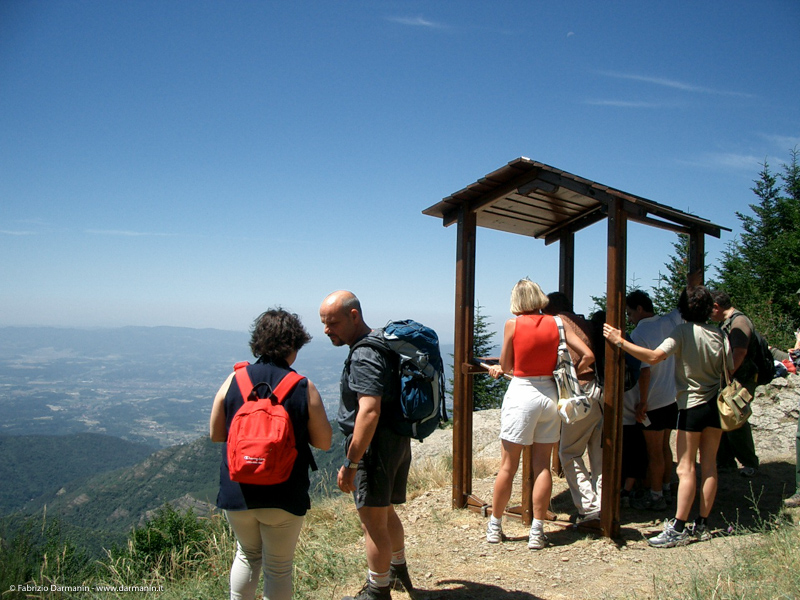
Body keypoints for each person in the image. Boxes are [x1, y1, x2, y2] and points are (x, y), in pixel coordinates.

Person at [210, 308, 332, 600]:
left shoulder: (234, 380)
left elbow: (216, 434)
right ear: (293, 346)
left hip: (238, 489)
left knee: (246, 555)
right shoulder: (303, 386)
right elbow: (325, 442)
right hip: (284, 492)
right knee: (278, 568)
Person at [603, 285, 732, 548]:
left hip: (692, 407)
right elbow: (728, 368)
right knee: (708, 467)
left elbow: (653, 357)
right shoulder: (719, 334)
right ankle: (703, 523)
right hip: (716, 407)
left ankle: (679, 527)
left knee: (685, 469)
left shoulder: (683, 331)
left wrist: (620, 341)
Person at [319, 291, 414, 600]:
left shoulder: (364, 354)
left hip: (375, 448)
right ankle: (397, 570)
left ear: (354, 316)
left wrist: (352, 463)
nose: (326, 330)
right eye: (324, 323)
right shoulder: (382, 342)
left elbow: (369, 410)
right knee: (384, 511)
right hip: (395, 439)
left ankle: (377, 590)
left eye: (332, 322)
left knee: (372, 523)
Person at [486, 279, 593, 549]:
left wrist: (498, 367)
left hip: (522, 392)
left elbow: (508, 364)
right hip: (551, 395)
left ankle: (495, 526)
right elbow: (587, 355)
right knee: (542, 466)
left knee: (508, 467)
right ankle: (537, 531)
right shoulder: (557, 323)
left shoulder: (513, 324)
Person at [543, 292, 603, 523]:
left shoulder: (559, 324)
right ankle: (603, 503)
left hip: (581, 393)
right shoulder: (584, 323)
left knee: (568, 452)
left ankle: (589, 509)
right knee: (598, 453)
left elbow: (587, 356)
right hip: (599, 390)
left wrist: (573, 373)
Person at [625, 290, 682, 510]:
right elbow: (681, 308)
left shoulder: (640, 334)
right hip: (672, 397)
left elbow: (645, 371)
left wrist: (643, 402)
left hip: (655, 401)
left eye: (630, 313)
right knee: (665, 448)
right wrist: (690, 284)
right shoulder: (669, 321)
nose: (629, 319)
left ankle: (656, 495)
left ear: (639, 309)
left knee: (654, 452)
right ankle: (666, 487)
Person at [709, 291, 761, 477]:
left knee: (736, 418)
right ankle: (725, 462)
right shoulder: (728, 322)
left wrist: (727, 375)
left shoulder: (739, 322)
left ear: (716, 306)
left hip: (740, 380)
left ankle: (749, 463)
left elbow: (739, 353)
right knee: (723, 417)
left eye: (709, 309)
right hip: (734, 379)